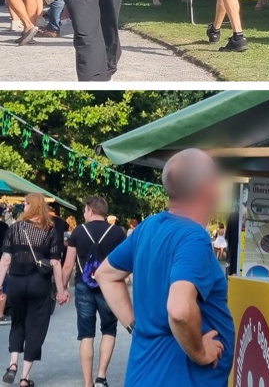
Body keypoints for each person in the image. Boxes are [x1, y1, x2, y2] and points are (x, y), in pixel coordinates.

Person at [97, 149, 232, 387]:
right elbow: (179, 309)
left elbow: (105, 274)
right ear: (208, 188)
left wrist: (137, 327)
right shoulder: (194, 236)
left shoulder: (148, 227)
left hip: (144, 373)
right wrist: (200, 352)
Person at [0, 193, 68, 387]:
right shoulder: (51, 231)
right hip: (40, 283)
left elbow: (6, 260)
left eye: (25, 203)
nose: (24, 206)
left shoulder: (14, 228)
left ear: (32, 206)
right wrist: (61, 290)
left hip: (17, 282)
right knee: (36, 328)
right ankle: (24, 378)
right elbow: (55, 263)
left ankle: (12, 364)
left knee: (17, 323)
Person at [63, 197, 126, 387]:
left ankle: (87, 383)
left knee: (86, 334)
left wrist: (62, 289)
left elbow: (68, 265)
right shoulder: (117, 233)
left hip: (83, 285)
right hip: (109, 287)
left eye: (84, 210)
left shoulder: (78, 232)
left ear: (90, 211)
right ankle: (101, 377)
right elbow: (124, 262)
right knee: (109, 329)